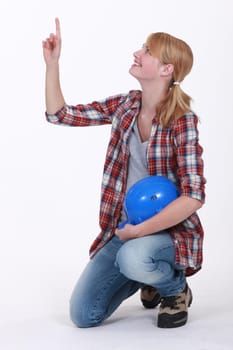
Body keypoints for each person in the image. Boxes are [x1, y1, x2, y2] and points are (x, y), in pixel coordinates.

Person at [42, 18, 206, 329]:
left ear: (166, 69)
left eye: (147, 50)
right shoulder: (125, 106)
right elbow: (60, 115)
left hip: (167, 232)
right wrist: (53, 64)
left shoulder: (183, 120)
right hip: (124, 229)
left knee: (133, 257)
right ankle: (146, 273)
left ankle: (173, 288)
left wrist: (138, 234)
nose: (137, 52)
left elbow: (194, 196)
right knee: (83, 315)